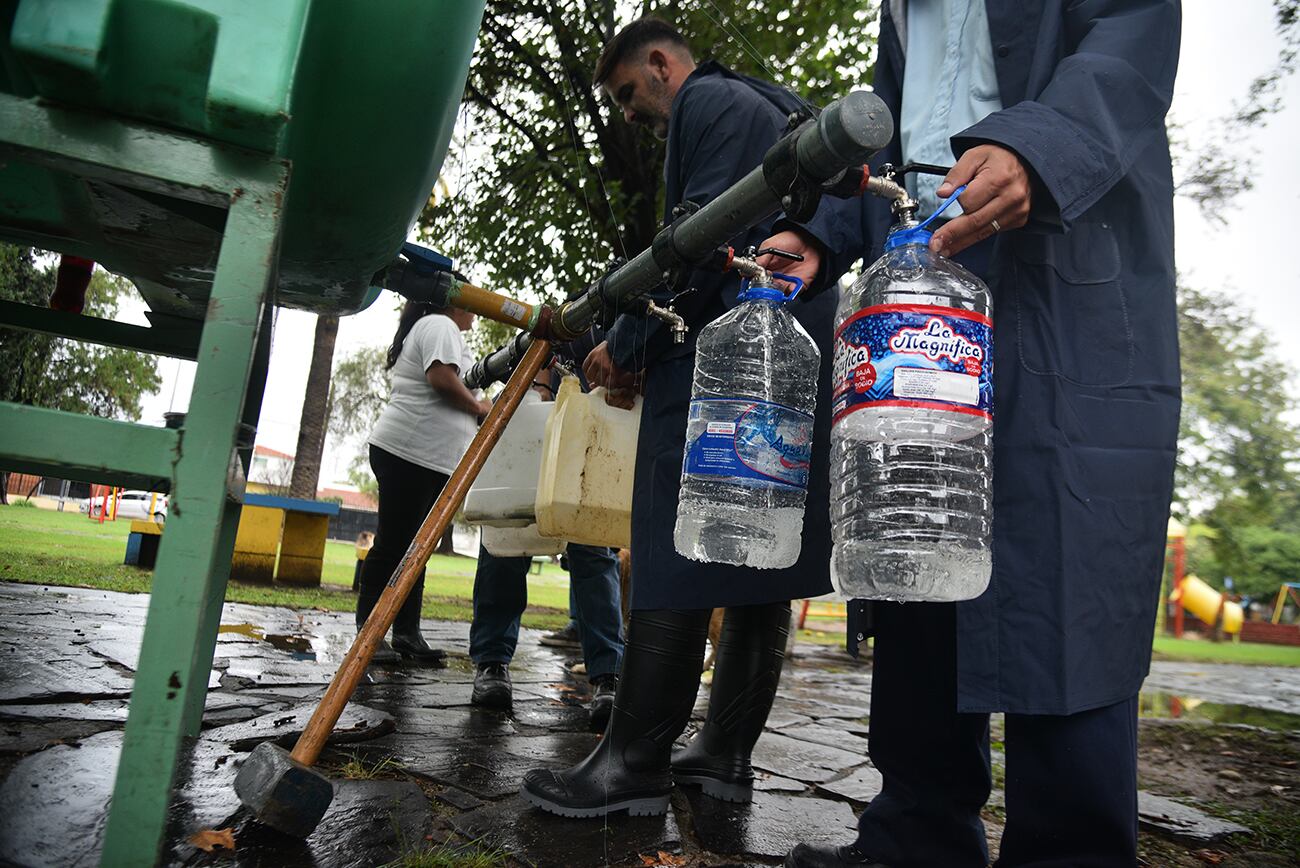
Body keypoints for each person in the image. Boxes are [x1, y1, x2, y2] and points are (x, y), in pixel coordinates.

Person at [762, 2, 1182, 865]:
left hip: (1057, 259)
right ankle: (915, 833)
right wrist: (819, 229)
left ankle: (1069, 849)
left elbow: (1134, 35)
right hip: (922, 266)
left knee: (1061, 550)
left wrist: (1042, 143)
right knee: (916, 534)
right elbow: (890, 135)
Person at [520, 16, 835, 818]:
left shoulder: (707, 102)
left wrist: (626, 340)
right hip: (794, 349)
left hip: (723, 354)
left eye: (628, 92)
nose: (628, 113)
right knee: (764, 556)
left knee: (675, 536)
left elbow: (699, 239)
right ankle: (724, 757)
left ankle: (633, 764)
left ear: (660, 64)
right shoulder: (779, 104)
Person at [469, 369, 626, 733]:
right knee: (505, 535)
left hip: (588, 423)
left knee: (592, 545)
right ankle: (491, 662)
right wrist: (538, 383)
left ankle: (608, 676)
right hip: (531, 414)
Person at [357, 299, 491, 665]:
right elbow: (440, 378)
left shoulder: (440, 330)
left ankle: (406, 633)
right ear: (454, 303)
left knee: (417, 548)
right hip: (409, 453)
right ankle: (369, 634)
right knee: (394, 545)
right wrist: (479, 408)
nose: (477, 310)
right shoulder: (440, 325)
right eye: (472, 300)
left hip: (423, 458)